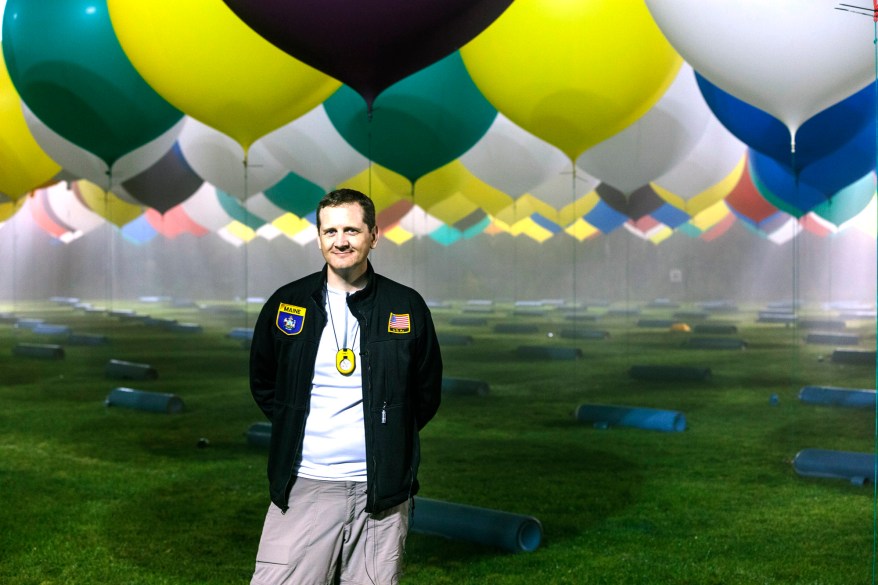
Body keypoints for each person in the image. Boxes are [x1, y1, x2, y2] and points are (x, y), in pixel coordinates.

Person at [248, 188, 443, 585]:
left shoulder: (406, 306)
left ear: (374, 234)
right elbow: (265, 383)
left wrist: (389, 434)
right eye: (330, 231)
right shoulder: (288, 303)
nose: (341, 241)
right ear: (319, 236)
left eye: (352, 230)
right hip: (306, 485)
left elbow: (425, 394)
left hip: (383, 495)